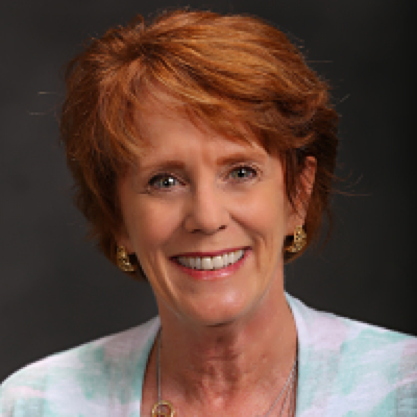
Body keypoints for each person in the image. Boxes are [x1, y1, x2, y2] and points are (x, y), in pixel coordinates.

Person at [1, 9, 416, 416]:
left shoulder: (404, 386)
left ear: (297, 197)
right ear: (117, 215)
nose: (206, 217)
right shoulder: (35, 404)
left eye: (241, 172)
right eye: (165, 181)